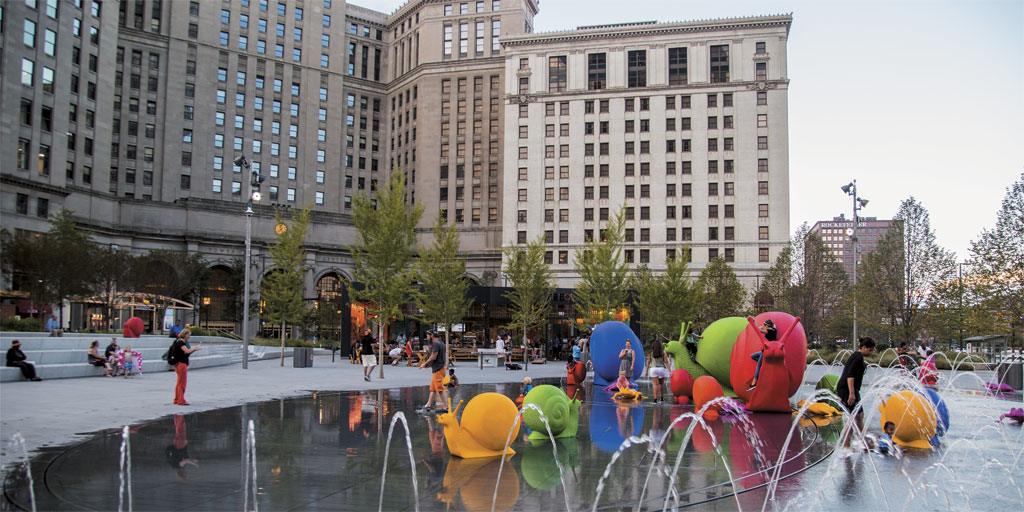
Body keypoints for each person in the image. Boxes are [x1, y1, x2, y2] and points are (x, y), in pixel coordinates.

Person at [838, 337, 875, 447]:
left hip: (850, 389)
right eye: (870, 350)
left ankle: (863, 442)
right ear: (864, 347)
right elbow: (850, 375)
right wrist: (852, 393)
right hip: (847, 389)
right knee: (853, 417)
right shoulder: (858, 357)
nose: (871, 352)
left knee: (859, 416)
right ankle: (846, 445)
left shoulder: (857, 356)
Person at [419, 331, 448, 413]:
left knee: (440, 389)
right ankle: (428, 405)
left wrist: (424, 363)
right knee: (432, 388)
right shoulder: (441, 343)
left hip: (438, 369)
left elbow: (433, 356)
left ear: (432, 335)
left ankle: (446, 407)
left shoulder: (435, 344)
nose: (427, 337)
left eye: (428, 336)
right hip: (440, 368)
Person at [171, 329, 201, 405]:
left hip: (179, 364)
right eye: (188, 335)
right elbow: (186, 351)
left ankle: (177, 399)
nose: (189, 336)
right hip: (181, 364)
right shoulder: (181, 343)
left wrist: (194, 349)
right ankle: (181, 400)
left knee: (179, 382)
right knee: (182, 383)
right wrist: (194, 348)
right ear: (184, 334)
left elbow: (186, 353)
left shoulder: (180, 342)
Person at [747, 319, 778, 391]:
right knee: (753, 356)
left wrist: (755, 323)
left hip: (766, 352)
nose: (763, 326)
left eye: (764, 324)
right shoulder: (774, 329)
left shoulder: (769, 331)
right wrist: (761, 325)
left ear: (767, 325)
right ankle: (765, 364)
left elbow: (759, 330)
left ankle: (753, 384)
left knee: (758, 367)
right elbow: (760, 328)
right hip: (765, 351)